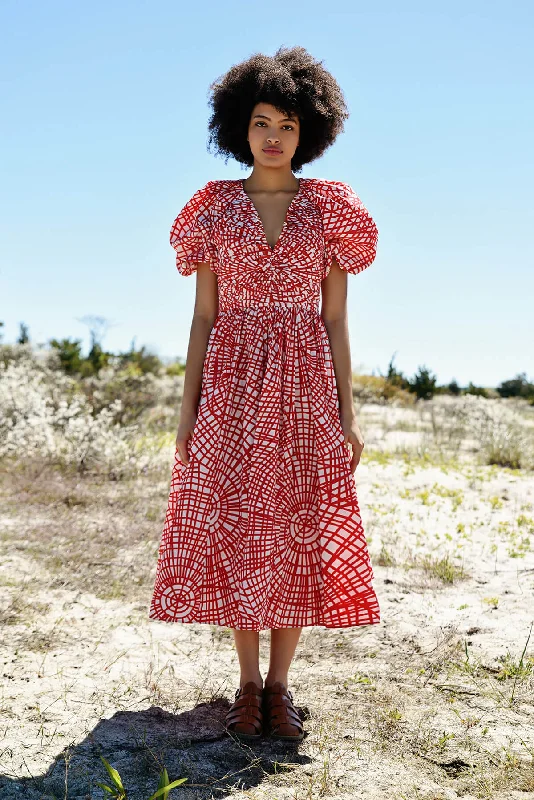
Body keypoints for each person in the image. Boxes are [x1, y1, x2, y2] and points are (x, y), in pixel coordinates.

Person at [149, 45, 381, 743]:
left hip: (306, 384)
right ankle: (245, 683)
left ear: (308, 128)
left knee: (298, 529)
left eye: (285, 123)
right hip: (232, 384)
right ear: (238, 129)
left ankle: (281, 686)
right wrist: (187, 411)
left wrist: (347, 412)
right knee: (239, 529)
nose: (271, 136)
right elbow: (203, 317)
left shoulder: (331, 209)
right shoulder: (215, 210)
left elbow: (335, 318)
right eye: (259, 122)